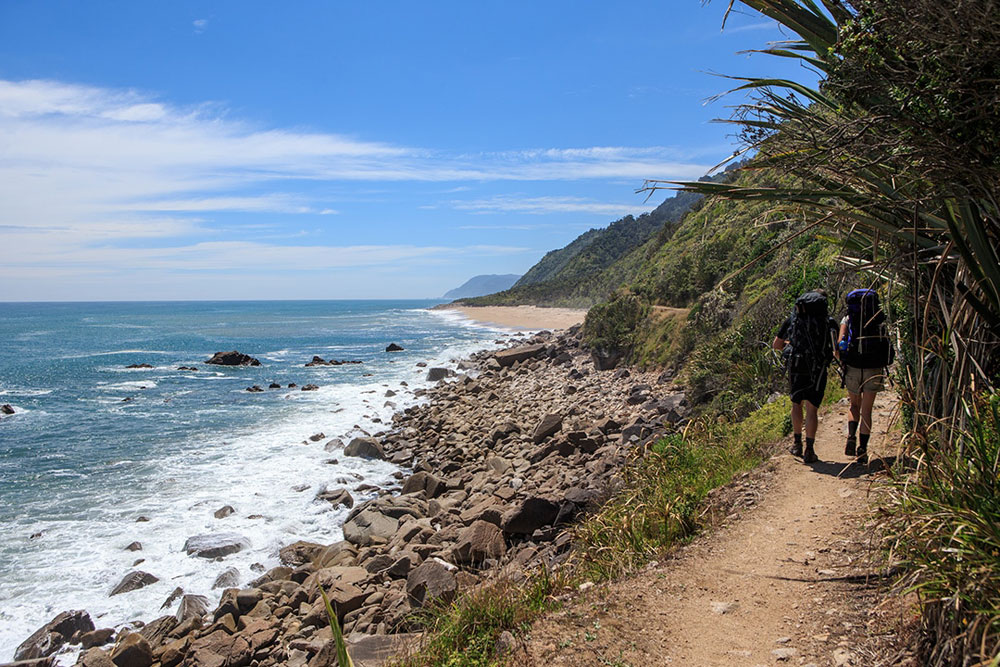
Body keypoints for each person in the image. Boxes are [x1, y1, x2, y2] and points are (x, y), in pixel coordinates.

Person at [773, 289, 839, 463]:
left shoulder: (793, 320)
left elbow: (776, 345)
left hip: (797, 365)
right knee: (812, 409)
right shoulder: (829, 322)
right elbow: (836, 349)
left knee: (796, 404)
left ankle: (796, 444)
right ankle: (810, 449)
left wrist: (792, 344)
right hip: (818, 368)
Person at [837, 289, 894, 463]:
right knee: (867, 410)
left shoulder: (847, 319)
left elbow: (840, 344)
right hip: (873, 368)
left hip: (854, 367)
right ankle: (862, 450)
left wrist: (844, 361)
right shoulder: (878, 320)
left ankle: (851, 436)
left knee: (854, 406)